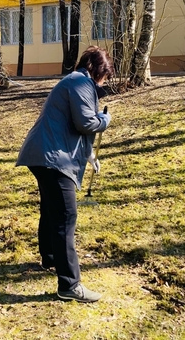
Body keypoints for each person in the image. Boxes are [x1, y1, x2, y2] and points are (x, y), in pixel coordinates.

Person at [16, 46, 114, 303]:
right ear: (99, 70)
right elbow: (86, 122)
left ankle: (50, 258)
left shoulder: (75, 81)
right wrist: (106, 120)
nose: (105, 81)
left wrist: (89, 154)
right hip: (52, 157)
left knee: (51, 210)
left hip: (43, 153)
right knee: (65, 216)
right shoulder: (81, 82)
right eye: (106, 76)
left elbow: (72, 125)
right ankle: (70, 285)